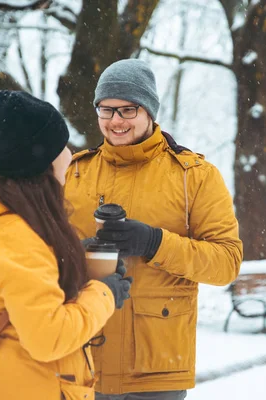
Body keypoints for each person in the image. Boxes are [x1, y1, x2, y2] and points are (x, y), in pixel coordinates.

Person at [64, 59, 243, 400]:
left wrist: (154, 242)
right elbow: (44, 256)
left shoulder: (194, 176)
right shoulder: (74, 173)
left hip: (155, 368)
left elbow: (227, 263)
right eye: (107, 109)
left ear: (149, 111)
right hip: (83, 358)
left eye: (128, 110)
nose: (116, 121)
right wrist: (77, 253)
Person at [0, 90, 132, 400]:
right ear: (41, 163)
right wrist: (104, 293)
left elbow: (32, 290)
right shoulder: (14, 238)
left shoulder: (15, 228)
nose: (70, 154)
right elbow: (49, 337)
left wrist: (79, 263)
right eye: (61, 147)